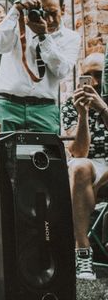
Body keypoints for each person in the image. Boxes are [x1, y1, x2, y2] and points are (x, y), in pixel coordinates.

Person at [0, 0, 81, 133]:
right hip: (7, 104)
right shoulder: (19, 25)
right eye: (44, 13)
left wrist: (43, 36)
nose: (50, 19)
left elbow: (61, 71)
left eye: (54, 13)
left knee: (49, 155)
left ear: (63, 9)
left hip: (44, 108)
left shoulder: (71, 38)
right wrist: (15, 10)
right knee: (2, 155)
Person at [62, 52, 108, 280]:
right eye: (87, 76)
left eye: (99, 75)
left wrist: (103, 109)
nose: (95, 83)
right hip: (93, 166)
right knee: (78, 165)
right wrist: (83, 114)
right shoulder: (72, 104)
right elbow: (79, 152)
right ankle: (82, 252)